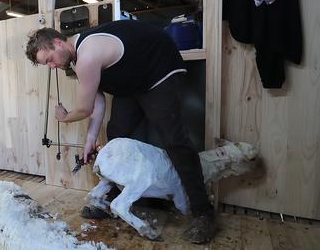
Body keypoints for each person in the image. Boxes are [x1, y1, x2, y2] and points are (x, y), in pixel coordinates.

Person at [25, 20, 214, 244]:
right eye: (46, 64)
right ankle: (113, 201)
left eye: (49, 60)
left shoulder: (87, 55)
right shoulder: (75, 62)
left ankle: (203, 212)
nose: (51, 66)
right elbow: (97, 103)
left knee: (174, 139)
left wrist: (64, 117)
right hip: (132, 84)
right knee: (116, 134)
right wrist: (91, 139)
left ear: (58, 42)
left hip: (160, 69)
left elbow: (84, 109)